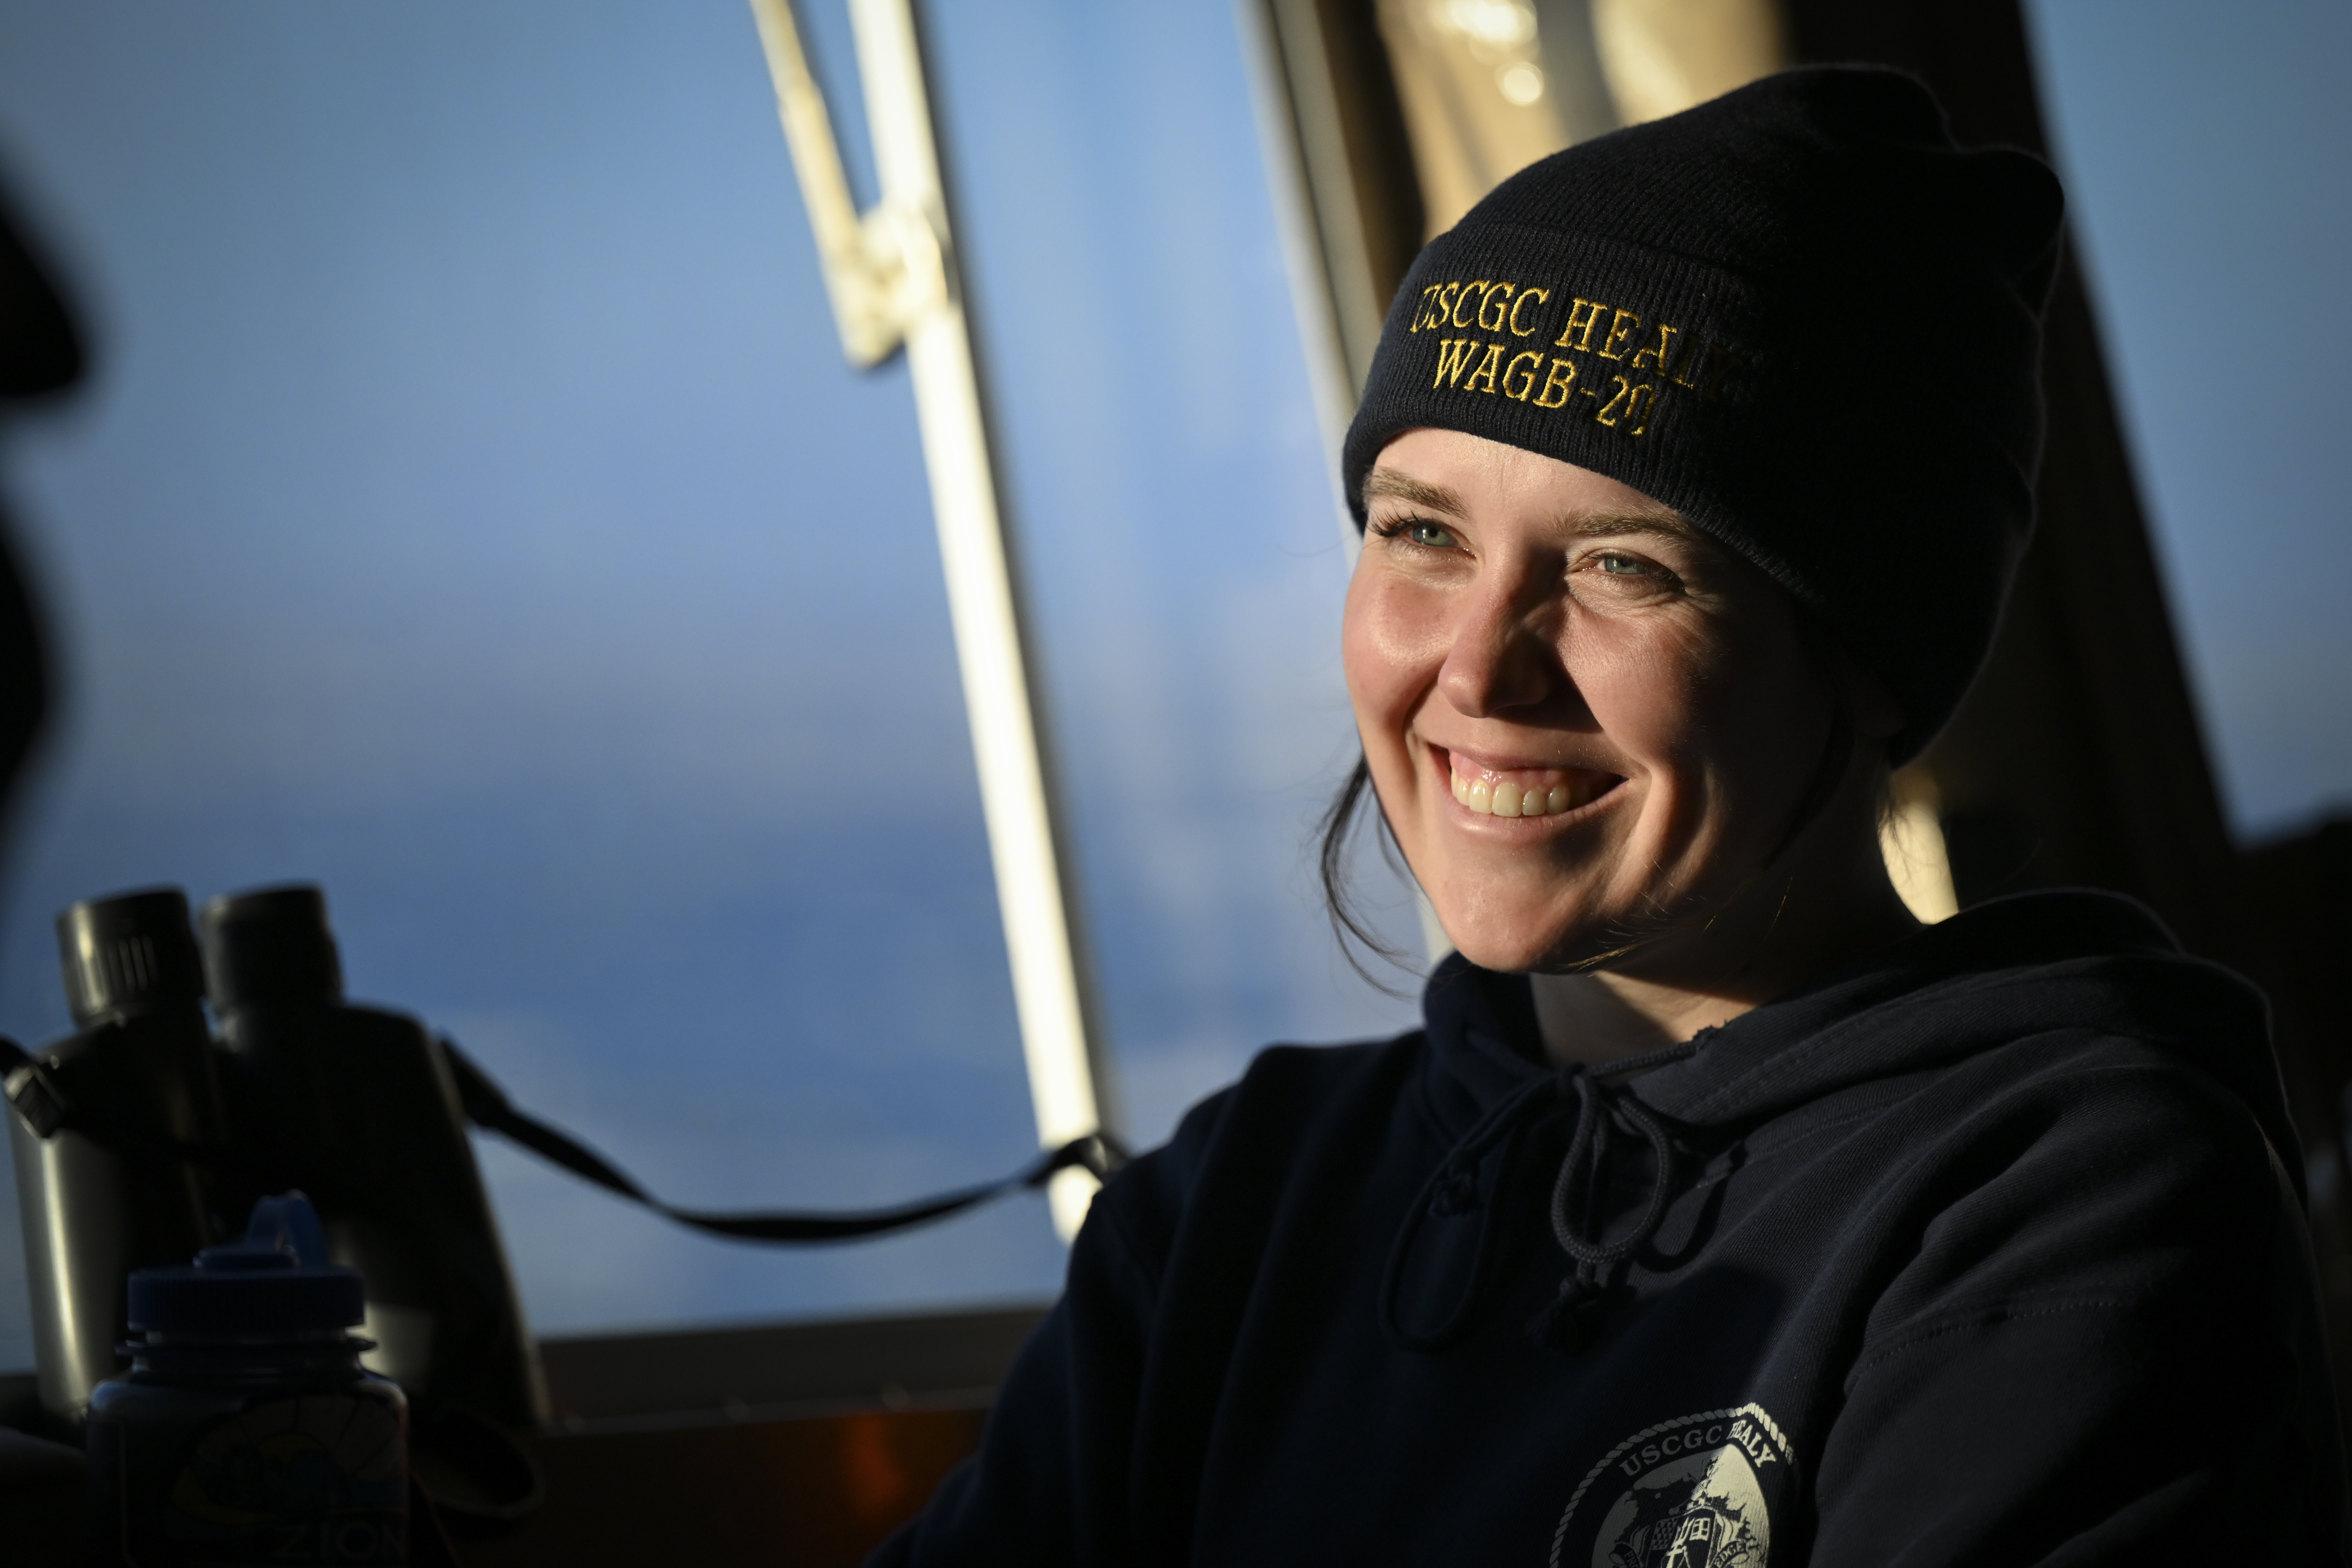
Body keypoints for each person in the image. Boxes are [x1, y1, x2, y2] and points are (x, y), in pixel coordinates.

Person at [875, 66, 2348, 1565]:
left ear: (1873, 658)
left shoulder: (2066, 1202)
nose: (1477, 669)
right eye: (1421, 531)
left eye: (1623, 565)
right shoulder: (1237, 1208)